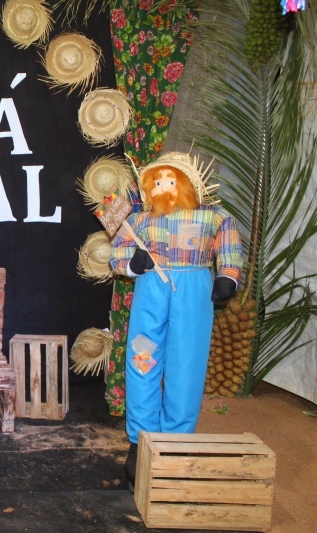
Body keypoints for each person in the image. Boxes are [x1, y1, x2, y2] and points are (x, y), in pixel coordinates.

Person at [110, 152, 244, 488]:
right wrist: (133, 263)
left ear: (187, 183)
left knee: (187, 363)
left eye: (170, 181)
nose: (163, 188)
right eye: (156, 183)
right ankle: (141, 440)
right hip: (151, 292)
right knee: (142, 358)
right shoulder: (139, 220)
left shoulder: (214, 217)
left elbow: (230, 249)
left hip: (193, 292)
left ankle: (176, 441)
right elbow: (118, 253)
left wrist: (227, 277)